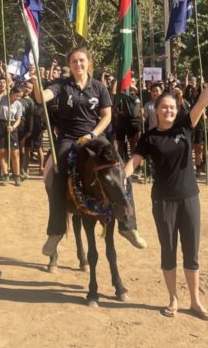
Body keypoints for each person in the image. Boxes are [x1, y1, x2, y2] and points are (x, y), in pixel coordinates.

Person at [123, 62, 208, 321]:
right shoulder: (149, 138)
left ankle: (195, 302)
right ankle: (173, 299)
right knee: (168, 250)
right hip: (163, 201)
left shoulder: (184, 127)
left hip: (189, 197)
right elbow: (134, 163)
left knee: (191, 250)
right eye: (163, 107)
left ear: (177, 110)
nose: (168, 110)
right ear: (155, 110)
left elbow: (202, 102)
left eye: (172, 107)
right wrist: (118, 178)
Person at [31, 46, 144, 256]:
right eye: (74, 61)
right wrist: (36, 81)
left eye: (81, 60)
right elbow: (41, 98)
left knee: (121, 171)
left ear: (88, 62)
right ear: (69, 65)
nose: (78, 64)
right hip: (68, 139)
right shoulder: (61, 85)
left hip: (94, 137)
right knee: (58, 173)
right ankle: (55, 232)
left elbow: (107, 116)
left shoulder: (99, 87)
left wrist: (92, 135)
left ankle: (129, 226)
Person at [0, 79, 24, 186]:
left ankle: (16, 176)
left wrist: (13, 127)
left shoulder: (18, 104)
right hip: (0, 124)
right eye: (17, 96)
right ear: (12, 93)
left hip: (12, 126)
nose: (18, 98)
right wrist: (4, 94)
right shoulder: (3, 99)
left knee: (15, 153)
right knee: (2, 152)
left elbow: (18, 119)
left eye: (20, 96)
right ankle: (5, 175)